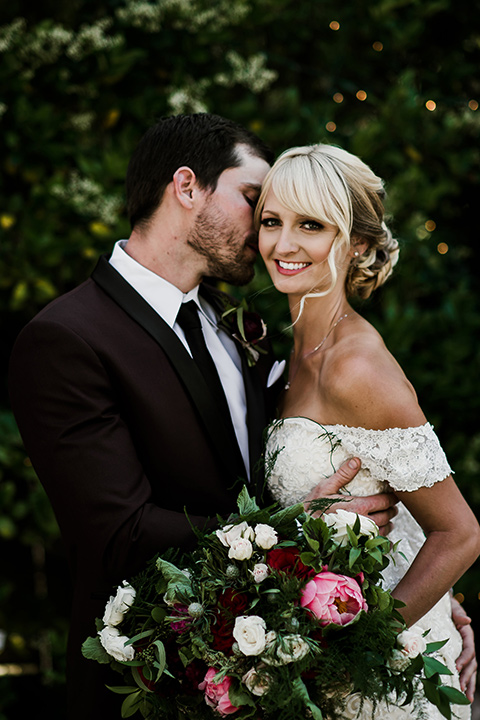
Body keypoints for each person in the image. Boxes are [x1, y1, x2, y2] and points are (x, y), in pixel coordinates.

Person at [7, 115, 398, 720]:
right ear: (187, 187)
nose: (268, 230)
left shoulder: (235, 322)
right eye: (254, 200)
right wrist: (296, 529)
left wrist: (423, 592)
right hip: (148, 684)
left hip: (268, 682)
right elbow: (118, 533)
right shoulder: (66, 338)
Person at [257, 143, 480, 717]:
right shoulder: (288, 356)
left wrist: (363, 643)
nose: (283, 244)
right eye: (271, 222)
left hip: (385, 677)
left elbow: (459, 534)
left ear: (355, 242)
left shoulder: (357, 367)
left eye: (311, 224)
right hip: (311, 659)